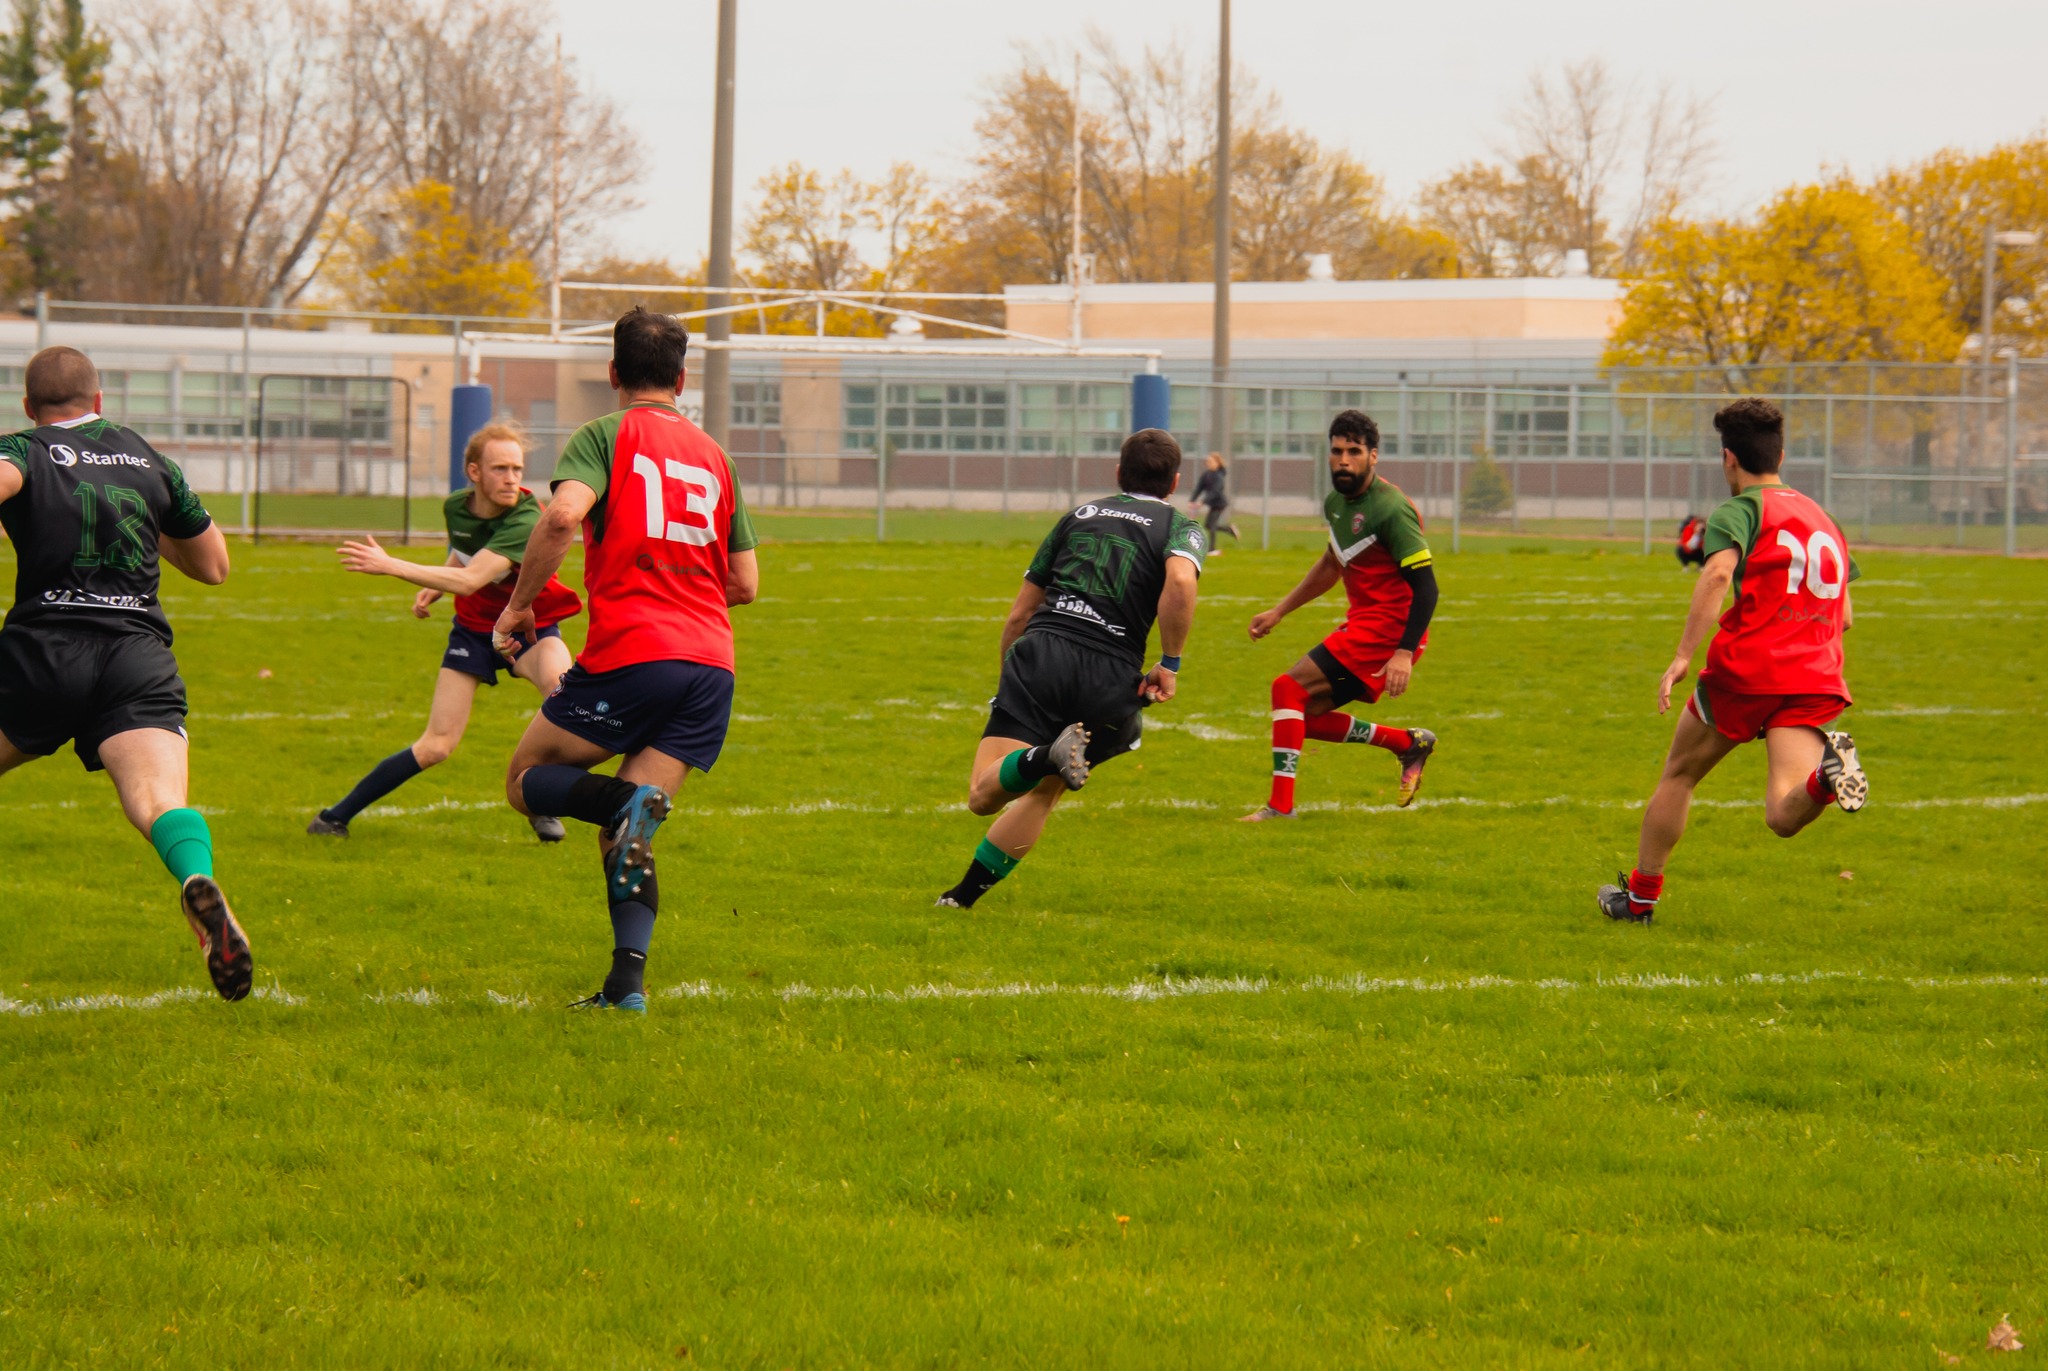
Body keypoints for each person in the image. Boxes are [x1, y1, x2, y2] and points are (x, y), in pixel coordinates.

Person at [496, 308, 758, 1012]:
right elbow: (746, 584)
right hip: (712, 666)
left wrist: (520, 605)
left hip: (636, 653)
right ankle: (626, 986)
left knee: (525, 781)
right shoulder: (716, 455)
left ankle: (625, 799)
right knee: (630, 827)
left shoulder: (604, 435)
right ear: (682, 376)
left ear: (613, 373)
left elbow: (559, 517)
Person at [0, 345, 251, 1000]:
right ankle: (196, 881)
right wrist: (141, 519)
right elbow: (215, 565)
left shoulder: (25, 449)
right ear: (100, 402)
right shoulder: (147, 459)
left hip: (44, 654)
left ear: (29, 408)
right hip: (136, 657)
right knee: (157, 802)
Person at [1598, 398, 1867, 924]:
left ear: (1728, 458)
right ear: (1781, 454)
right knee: (1783, 813)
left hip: (1749, 672)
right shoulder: (1822, 517)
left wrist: (1681, 656)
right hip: (1815, 674)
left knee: (1678, 777)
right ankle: (1824, 781)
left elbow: (1718, 575)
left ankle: (1639, 902)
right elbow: (1847, 615)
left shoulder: (1740, 509)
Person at [937, 428, 1203, 909]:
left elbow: (1019, 614)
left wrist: (1010, 678)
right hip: (1111, 679)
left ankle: (1042, 755)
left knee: (982, 794)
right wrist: (1169, 663)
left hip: (1045, 653)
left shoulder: (1078, 517)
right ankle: (960, 899)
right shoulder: (1182, 528)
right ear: (1175, 482)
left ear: (1118, 473)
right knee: (1045, 794)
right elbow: (1181, 580)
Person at [308, 423, 581, 840]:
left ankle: (535, 798)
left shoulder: (527, 519)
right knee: (436, 745)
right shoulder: (457, 506)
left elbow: (474, 578)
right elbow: (464, 552)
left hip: (530, 628)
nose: (512, 479)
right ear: (474, 472)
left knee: (564, 699)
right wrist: (433, 586)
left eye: (518, 469)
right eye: (500, 469)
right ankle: (333, 818)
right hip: (474, 630)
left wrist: (393, 565)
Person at [1242, 409, 1439, 820]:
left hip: (1389, 630)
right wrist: (1280, 611)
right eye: (1336, 451)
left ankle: (1280, 808)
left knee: (1287, 691)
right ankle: (1406, 743)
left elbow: (1427, 588)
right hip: (1366, 622)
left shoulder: (1391, 509)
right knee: (1299, 716)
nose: (1344, 460)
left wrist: (1404, 653)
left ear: (1373, 456)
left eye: (1354, 451)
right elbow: (1332, 565)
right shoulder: (1336, 502)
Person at [1186, 450, 1239, 552]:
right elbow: (1199, 487)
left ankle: (1212, 549)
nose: (1208, 463)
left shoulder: (1219, 476)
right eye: (1207, 461)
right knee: (1208, 525)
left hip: (1219, 504)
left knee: (1212, 525)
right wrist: (1192, 500)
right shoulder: (1206, 475)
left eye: (1211, 461)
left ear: (1217, 463)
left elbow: (1215, 491)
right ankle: (1230, 530)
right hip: (1213, 504)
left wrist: (1202, 502)